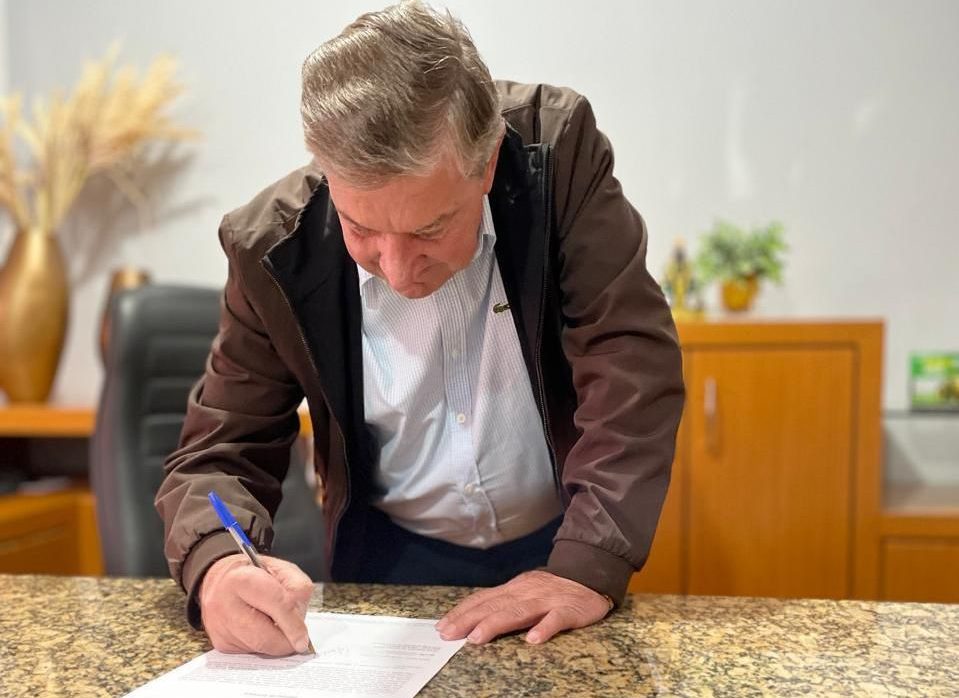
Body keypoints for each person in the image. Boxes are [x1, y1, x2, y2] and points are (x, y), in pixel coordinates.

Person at [156, 0, 684, 656]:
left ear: (486, 163)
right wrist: (217, 565)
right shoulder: (270, 245)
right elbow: (220, 450)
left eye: (430, 229)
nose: (399, 271)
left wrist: (587, 561)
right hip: (388, 558)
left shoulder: (554, 154)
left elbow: (629, 360)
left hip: (562, 542)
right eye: (362, 229)